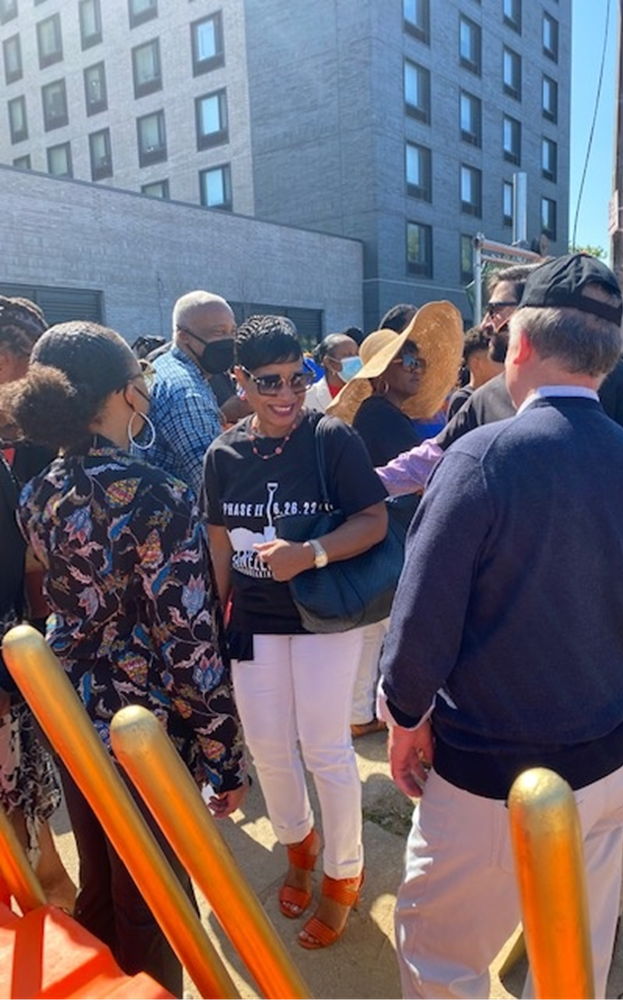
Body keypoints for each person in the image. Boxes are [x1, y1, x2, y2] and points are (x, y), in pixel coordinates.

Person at [378, 254, 623, 1000]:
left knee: (441, 954)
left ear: (517, 344)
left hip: (495, 763)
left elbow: (422, 616)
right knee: (571, 950)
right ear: (606, 361)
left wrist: (404, 714)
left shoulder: (482, 455)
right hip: (617, 749)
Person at [1, 321, 246, 994]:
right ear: (124, 394)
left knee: (104, 881)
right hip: (145, 728)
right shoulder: (156, 494)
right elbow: (189, 638)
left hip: (71, 710)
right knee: (155, 894)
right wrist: (224, 754)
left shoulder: (37, 489)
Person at [202, 314, 388, 949]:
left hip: (321, 614)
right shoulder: (223, 453)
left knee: (326, 748)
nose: (286, 395)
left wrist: (310, 554)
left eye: (296, 378)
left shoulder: (330, 437)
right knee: (270, 749)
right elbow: (219, 544)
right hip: (254, 621)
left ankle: (344, 873)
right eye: (268, 382)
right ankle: (299, 846)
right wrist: (213, 625)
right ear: (240, 381)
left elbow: (373, 520)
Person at [377, 267, 623, 502]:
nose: (487, 323)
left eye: (497, 310)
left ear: (534, 308)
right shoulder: (485, 397)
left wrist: (586, 446)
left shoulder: (618, 380)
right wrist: (369, 486)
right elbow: (433, 456)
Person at [328, 303, 463, 737]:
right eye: (407, 361)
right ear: (384, 372)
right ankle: (358, 711)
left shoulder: (382, 414)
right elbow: (414, 478)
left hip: (381, 531)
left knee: (376, 624)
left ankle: (357, 710)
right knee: (378, 622)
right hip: (383, 532)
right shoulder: (380, 415)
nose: (416, 369)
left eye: (420, 362)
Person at [0, 296, 76, 913]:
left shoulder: (29, 446)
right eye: (29, 369)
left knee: (24, 785)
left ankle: (49, 880)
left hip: (16, 646)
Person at [149, 290, 236, 494]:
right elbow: (215, 484)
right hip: (186, 519)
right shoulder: (187, 392)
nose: (229, 340)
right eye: (219, 332)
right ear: (184, 336)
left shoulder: (162, 367)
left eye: (232, 331)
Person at [445, 325, 504, 420]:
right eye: (495, 358)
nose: (503, 365)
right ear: (477, 364)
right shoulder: (463, 400)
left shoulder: (500, 397)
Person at [304, 332, 361, 412]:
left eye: (356, 354)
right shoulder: (307, 397)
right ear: (328, 362)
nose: (355, 359)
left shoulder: (365, 394)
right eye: (348, 355)